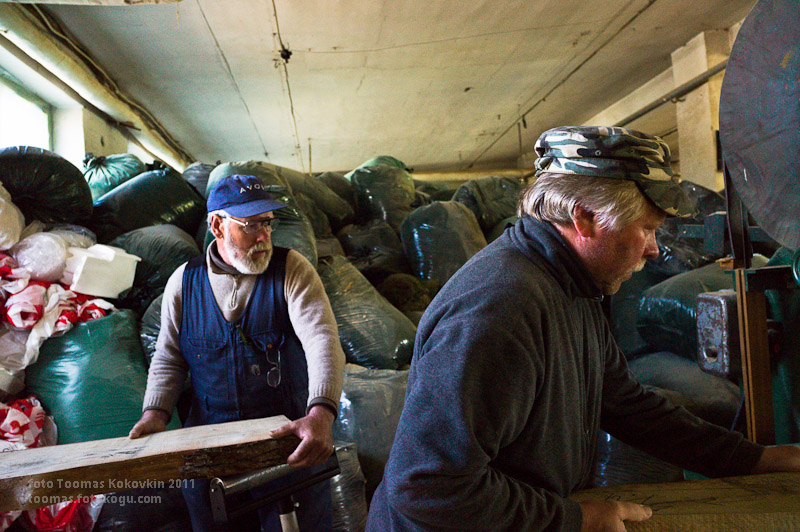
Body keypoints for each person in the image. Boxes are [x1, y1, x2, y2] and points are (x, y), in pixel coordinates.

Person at [366, 126, 800, 532]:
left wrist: (753, 459)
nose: (653, 249)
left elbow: (625, 403)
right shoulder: (501, 310)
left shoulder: (572, 286)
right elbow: (428, 488)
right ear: (585, 218)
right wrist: (575, 519)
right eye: (647, 229)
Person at [129, 174, 345, 532]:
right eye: (251, 225)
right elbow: (169, 356)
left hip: (286, 448)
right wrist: (155, 412)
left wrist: (321, 413)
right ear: (217, 225)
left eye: (267, 224)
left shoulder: (291, 270)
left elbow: (322, 340)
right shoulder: (184, 282)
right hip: (210, 451)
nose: (263, 237)